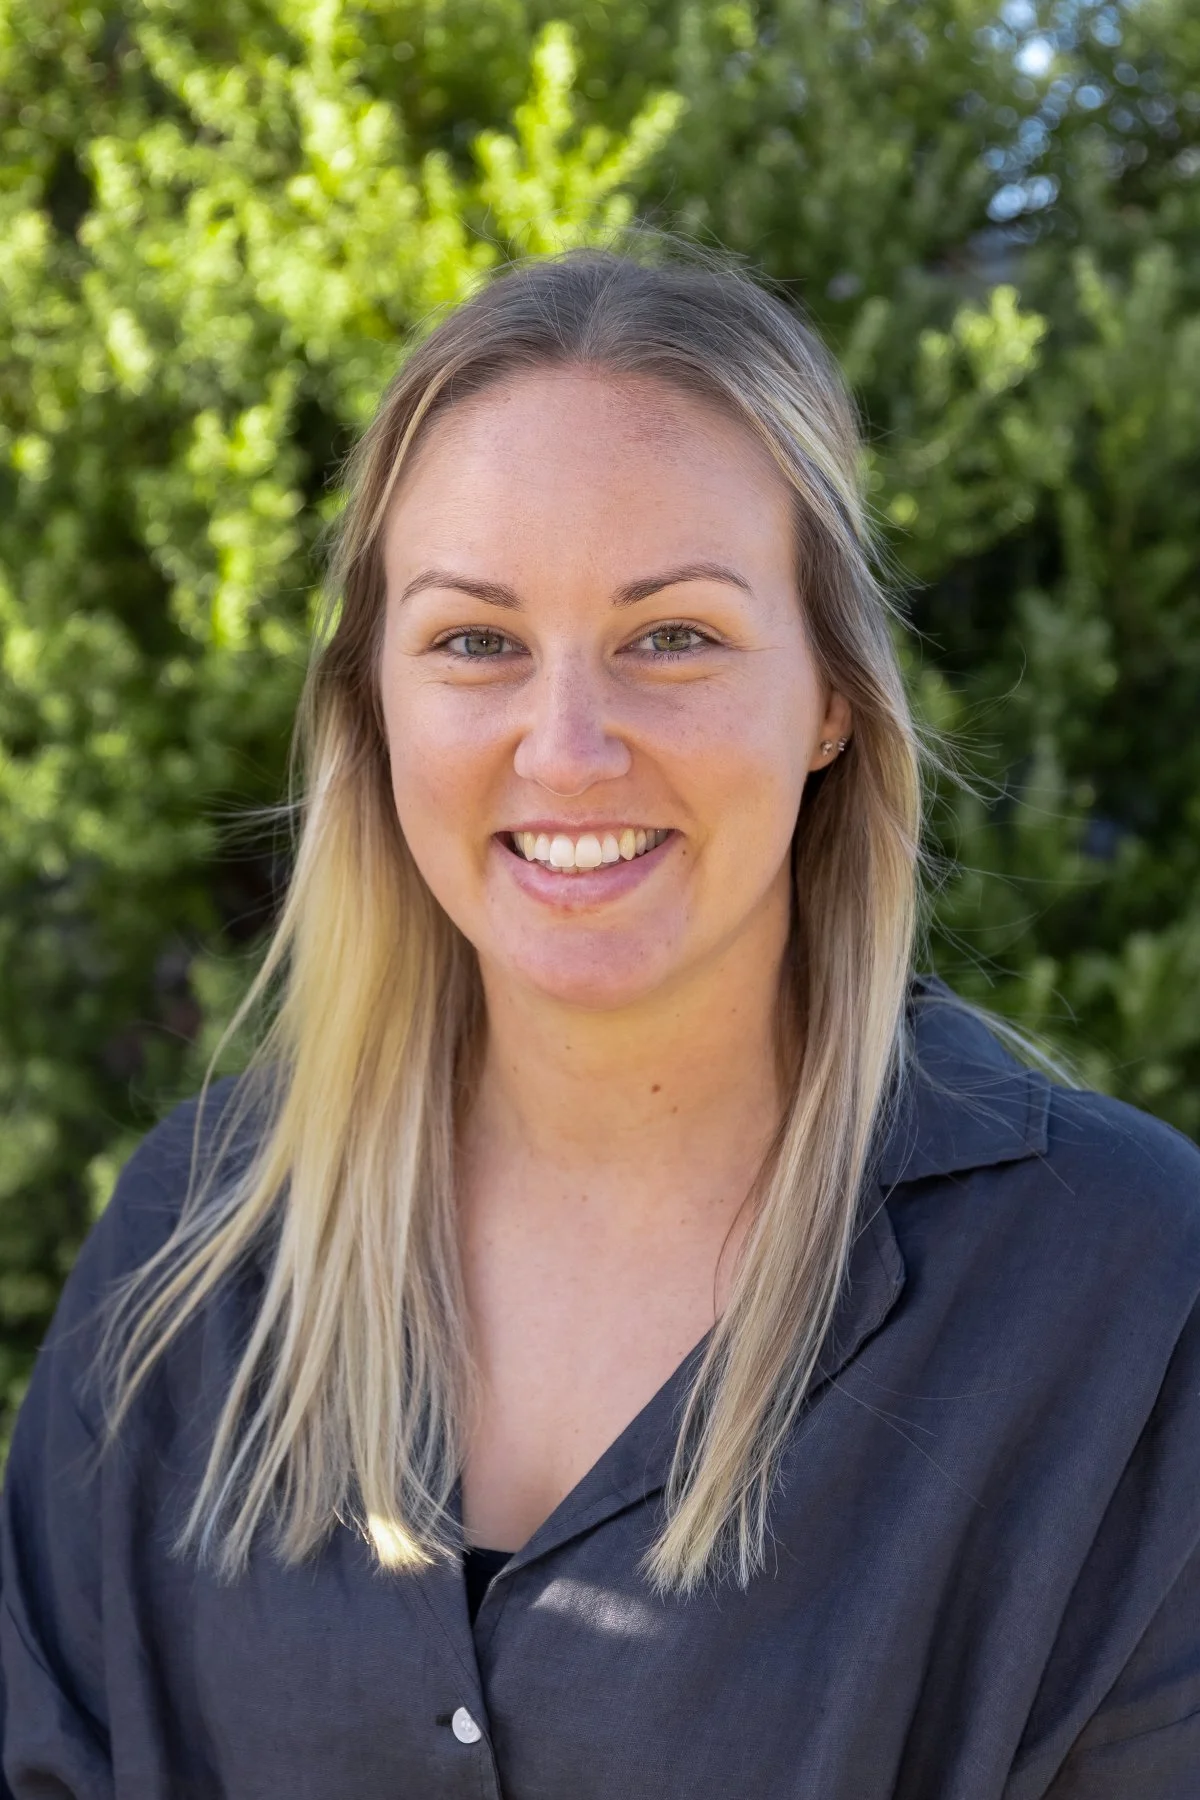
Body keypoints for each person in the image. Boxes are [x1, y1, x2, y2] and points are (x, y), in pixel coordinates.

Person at [3, 247, 1200, 1800]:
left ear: (834, 693)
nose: (567, 750)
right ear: (373, 699)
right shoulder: (193, 1249)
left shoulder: (1126, 1296)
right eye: (476, 641)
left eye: (674, 636)